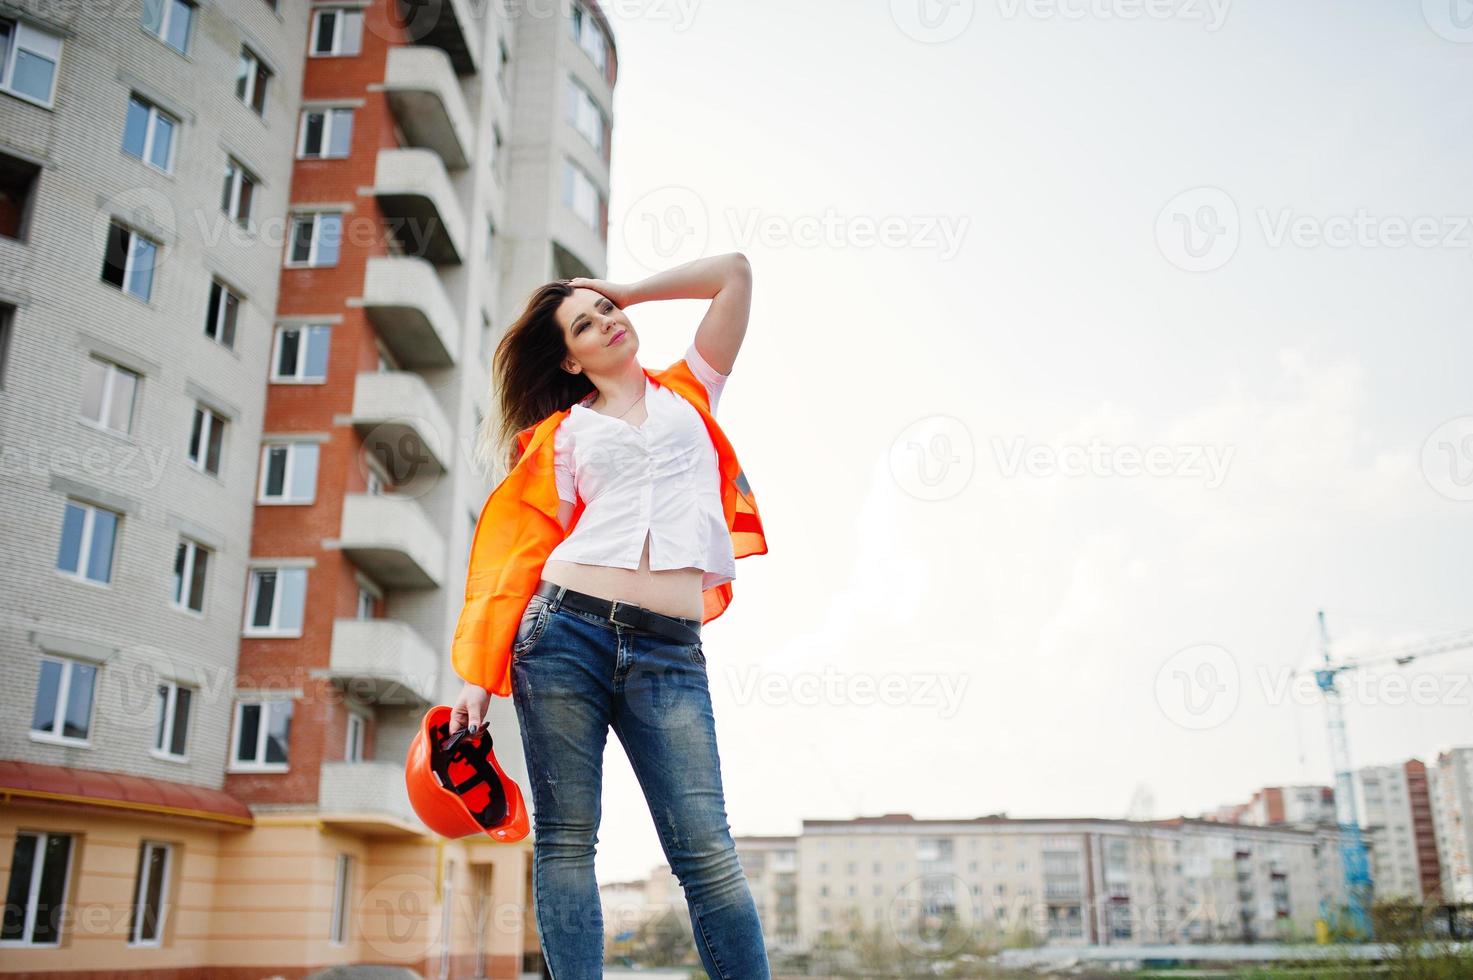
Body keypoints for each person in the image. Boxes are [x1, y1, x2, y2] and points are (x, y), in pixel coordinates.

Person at [449, 253, 772, 979]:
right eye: (585, 325)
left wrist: (621, 288)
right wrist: (479, 676)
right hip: (563, 633)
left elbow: (735, 274)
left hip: (668, 652)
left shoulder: (691, 392)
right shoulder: (560, 437)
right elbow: (517, 557)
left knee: (706, 850)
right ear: (568, 359)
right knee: (567, 841)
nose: (606, 324)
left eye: (607, 313)